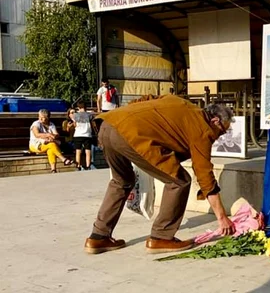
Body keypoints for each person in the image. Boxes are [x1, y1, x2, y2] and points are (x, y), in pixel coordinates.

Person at [84, 95, 235, 255]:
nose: (218, 137)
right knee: (179, 181)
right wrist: (222, 217)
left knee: (122, 181)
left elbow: (145, 99)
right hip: (130, 134)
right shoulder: (203, 128)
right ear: (215, 121)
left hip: (108, 124)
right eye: (221, 132)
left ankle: (98, 237)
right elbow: (204, 173)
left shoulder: (180, 103)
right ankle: (161, 237)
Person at [29, 109, 73, 173]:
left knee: (51, 149)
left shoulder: (51, 124)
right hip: (35, 145)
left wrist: (53, 136)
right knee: (52, 145)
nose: (40, 118)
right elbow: (37, 134)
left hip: (47, 144)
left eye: (42, 117)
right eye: (39, 116)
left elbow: (56, 134)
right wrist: (48, 135)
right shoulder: (36, 124)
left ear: (47, 118)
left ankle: (53, 170)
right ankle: (64, 159)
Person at [72, 101, 96, 171]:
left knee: (78, 151)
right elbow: (92, 123)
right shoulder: (89, 115)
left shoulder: (75, 115)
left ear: (78, 107)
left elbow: (75, 124)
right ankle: (88, 165)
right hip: (87, 135)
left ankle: (78, 166)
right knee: (88, 151)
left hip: (78, 134)